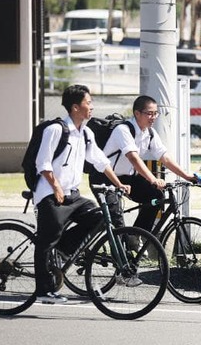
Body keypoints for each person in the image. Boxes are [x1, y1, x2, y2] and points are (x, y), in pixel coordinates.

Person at [33, 84, 131, 305]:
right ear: (75, 107)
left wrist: (119, 184)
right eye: (89, 103)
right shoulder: (55, 130)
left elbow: (100, 161)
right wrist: (56, 188)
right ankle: (43, 290)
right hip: (50, 194)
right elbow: (43, 163)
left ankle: (63, 249)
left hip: (73, 195)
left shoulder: (86, 132)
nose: (92, 107)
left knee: (98, 217)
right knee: (46, 241)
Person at [90, 95, 200, 233]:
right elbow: (134, 159)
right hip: (104, 178)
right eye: (149, 113)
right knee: (117, 220)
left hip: (127, 177)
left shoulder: (150, 133)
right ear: (137, 113)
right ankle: (122, 252)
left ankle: (137, 235)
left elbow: (164, 157)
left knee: (156, 195)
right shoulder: (123, 130)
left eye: (155, 113)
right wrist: (153, 179)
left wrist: (186, 176)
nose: (153, 117)